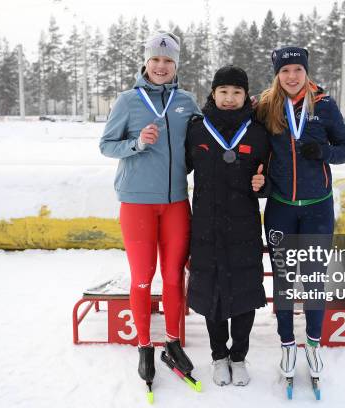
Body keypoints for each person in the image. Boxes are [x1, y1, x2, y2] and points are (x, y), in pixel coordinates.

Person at [99, 31, 200, 389]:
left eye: (168, 61)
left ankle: (171, 342)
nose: (161, 66)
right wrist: (138, 143)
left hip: (175, 202)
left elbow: (206, 142)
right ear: (146, 61)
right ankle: (144, 345)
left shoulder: (187, 101)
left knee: (173, 277)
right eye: (155, 60)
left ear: (176, 65)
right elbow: (106, 145)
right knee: (143, 276)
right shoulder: (128, 100)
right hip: (137, 201)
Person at [256, 46, 345, 383]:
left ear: (306, 71)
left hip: (317, 209)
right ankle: (287, 344)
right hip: (281, 208)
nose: (292, 77)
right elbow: (257, 150)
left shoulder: (324, 105)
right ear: (277, 74)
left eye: (297, 70)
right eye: (285, 71)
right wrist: (260, 181)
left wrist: (325, 151)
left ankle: (313, 343)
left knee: (313, 279)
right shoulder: (266, 105)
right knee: (284, 279)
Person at [186, 65, 269, 387]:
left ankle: (239, 357)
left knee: (245, 294)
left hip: (244, 227)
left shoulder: (259, 132)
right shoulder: (196, 130)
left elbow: (267, 182)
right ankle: (219, 357)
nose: (230, 98)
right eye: (224, 91)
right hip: (206, 226)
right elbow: (178, 168)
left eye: (237, 92)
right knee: (212, 295)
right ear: (213, 93)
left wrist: (263, 185)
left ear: (246, 95)